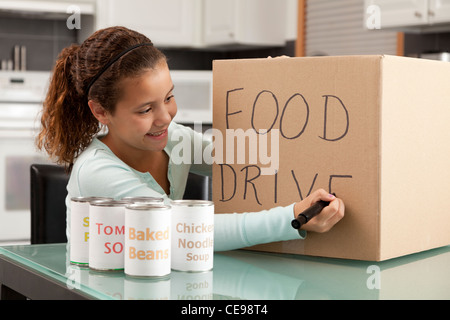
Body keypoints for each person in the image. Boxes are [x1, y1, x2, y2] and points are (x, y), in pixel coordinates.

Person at [37, 26, 344, 251]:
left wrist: (283, 84)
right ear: (101, 112)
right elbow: (187, 230)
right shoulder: (96, 172)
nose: (166, 117)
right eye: (145, 109)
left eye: (168, 97)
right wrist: (292, 218)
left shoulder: (175, 140)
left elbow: (253, 156)